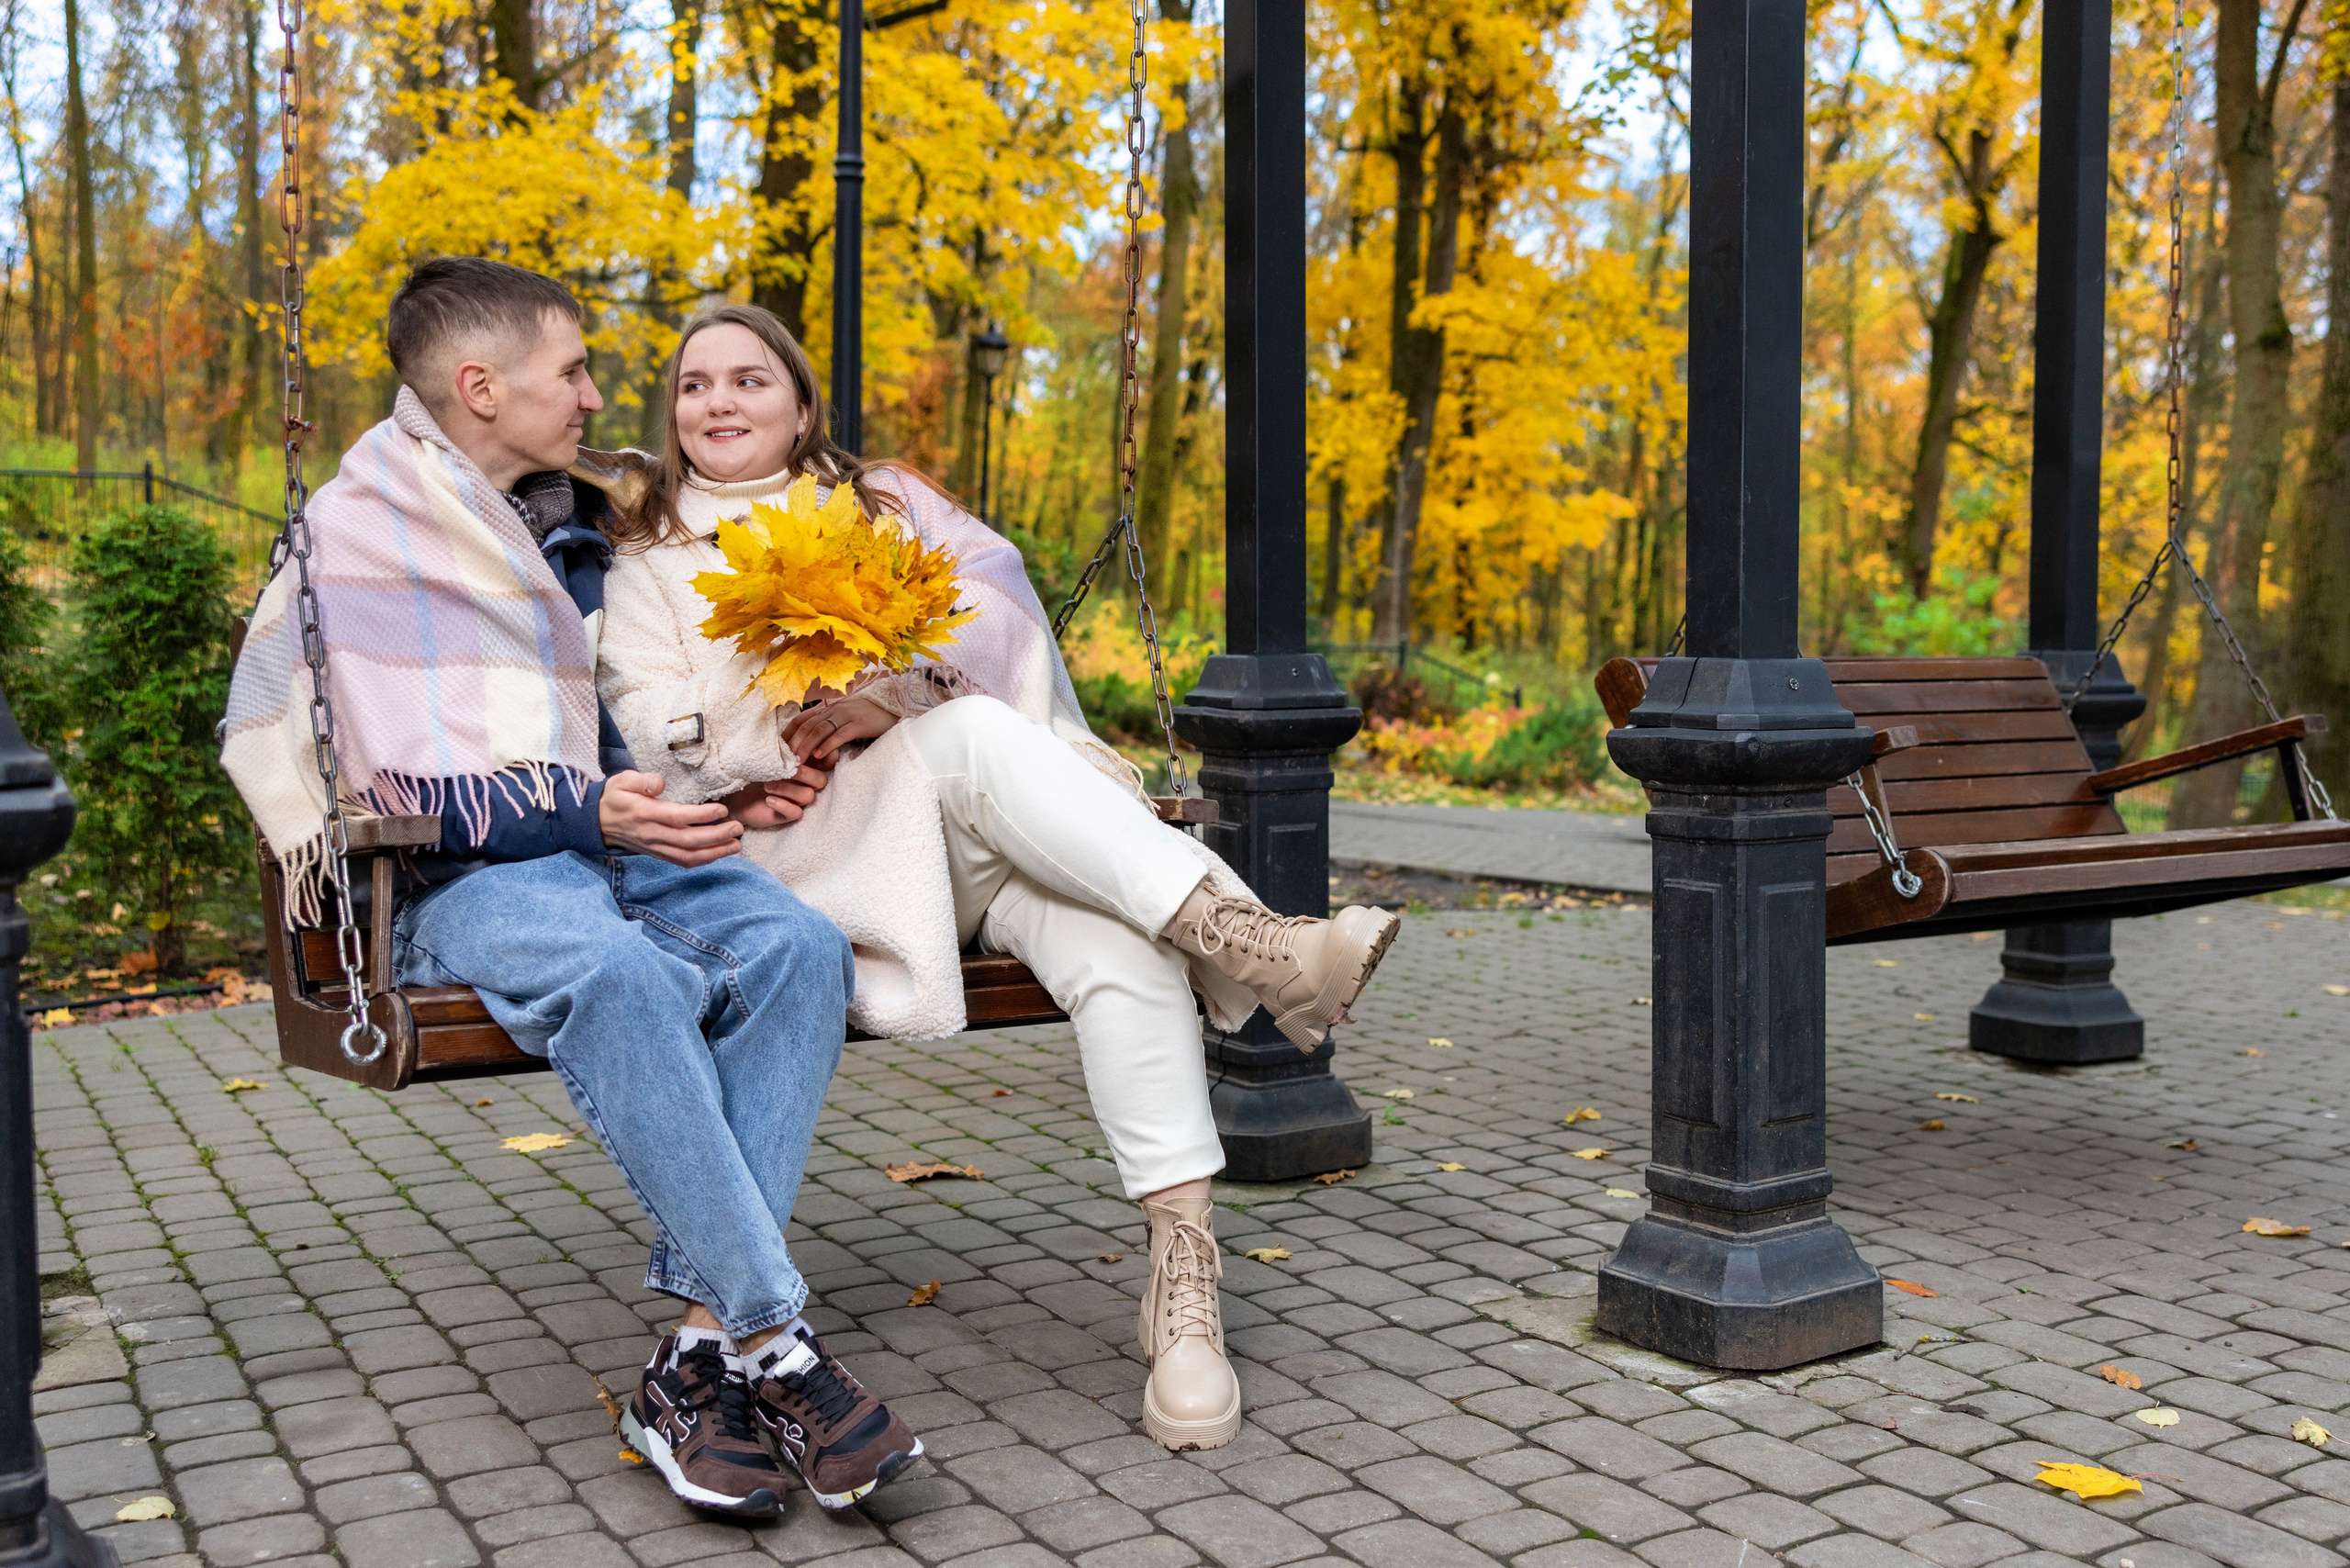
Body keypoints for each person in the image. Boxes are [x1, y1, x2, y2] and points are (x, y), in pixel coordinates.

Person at [591, 303, 1404, 1453]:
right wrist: (775, 739)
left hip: (952, 843)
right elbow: (645, 722)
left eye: (749, 381)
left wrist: (888, 694)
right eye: (695, 386)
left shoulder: (878, 512)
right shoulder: (648, 560)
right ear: (672, 413)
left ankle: (1183, 1287)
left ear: (801, 403)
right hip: (803, 855)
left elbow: (988, 629)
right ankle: (1256, 943)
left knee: (1116, 943)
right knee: (974, 743)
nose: (719, 403)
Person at [220, 259, 921, 1517]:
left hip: (605, 846)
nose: (601, 395)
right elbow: (386, 795)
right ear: (482, 387)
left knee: (799, 949)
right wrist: (586, 808)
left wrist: (708, 802)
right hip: (454, 885)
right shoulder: (357, 531)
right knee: (620, 975)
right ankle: (775, 1345)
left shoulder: (562, 523)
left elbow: (592, 736)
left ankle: (693, 1360)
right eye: (574, 371)